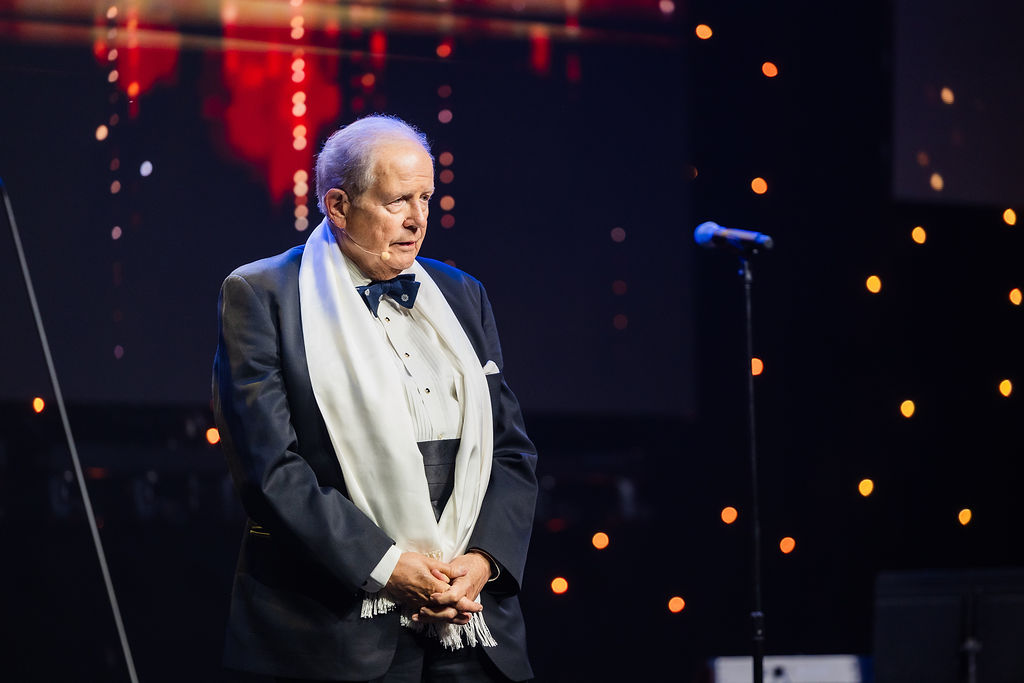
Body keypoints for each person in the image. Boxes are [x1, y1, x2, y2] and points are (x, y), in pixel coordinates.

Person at [213, 114, 538, 682]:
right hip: (334, 630)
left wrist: (482, 562)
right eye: (397, 202)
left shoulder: (462, 293)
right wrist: (387, 567)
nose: (417, 219)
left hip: (471, 620)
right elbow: (270, 470)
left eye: (425, 198)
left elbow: (510, 450)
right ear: (338, 207)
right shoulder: (262, 294)